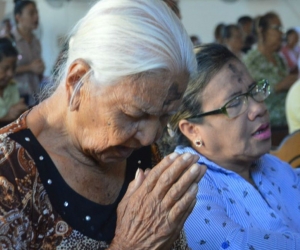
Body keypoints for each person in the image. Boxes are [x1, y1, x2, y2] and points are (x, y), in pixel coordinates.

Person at [0, 0, 207, 249]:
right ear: (77, 80)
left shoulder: (142, 153)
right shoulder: (8, 171)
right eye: (134, 114)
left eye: (165, 116)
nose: (150, 136)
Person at [161, 43, 300, 249]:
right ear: (192, 130)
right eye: (234, 103)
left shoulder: (268, 164)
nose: (259, 108)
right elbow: (233, 243)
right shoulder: (186, 186)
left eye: (255, 91)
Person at [243, 12, 298, 129]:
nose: (281, 33)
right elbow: (249, 95)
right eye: (277, 28)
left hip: (288, 110)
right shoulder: (250, 61)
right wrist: (279, 86)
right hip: (271, 118)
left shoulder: (278, 58)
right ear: (262, 31)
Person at [12, 0, 45, 106]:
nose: (36, 17)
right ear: (18, 17)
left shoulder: (36, 41)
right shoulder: (9, 40)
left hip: (34, 94)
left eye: (37, 13)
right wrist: (29, 67)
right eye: (31, 13)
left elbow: (37, 70)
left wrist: (40, 69)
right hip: (16, 98)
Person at [0, 38, 28, 126]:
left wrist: (21, 113)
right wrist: (6, 117)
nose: (11, 74)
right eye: (6, 68)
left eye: (14, 68)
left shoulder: (12, 87)